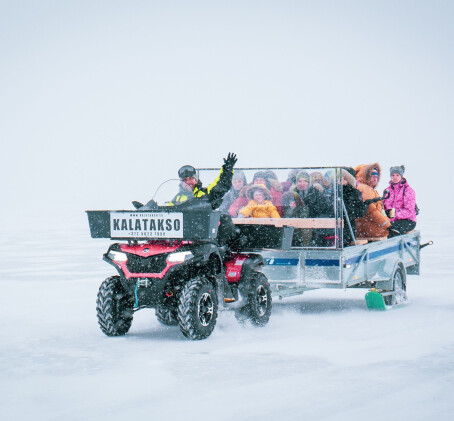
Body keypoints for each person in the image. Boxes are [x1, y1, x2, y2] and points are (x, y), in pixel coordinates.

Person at [354, 163, 390, 239]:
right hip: (369, 228)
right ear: (366, 176)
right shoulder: (366, 189)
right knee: (392, 231)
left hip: (367, 227)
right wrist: (386, 223)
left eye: (377, 177)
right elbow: (371, 211)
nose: (375, 179)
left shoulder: (369, 189)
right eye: (372, 176)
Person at [383, 165, 417, 237]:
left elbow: (409, 211)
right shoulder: (387, 191)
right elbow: (385, 207)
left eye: (397, 175)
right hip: (391, 220)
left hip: (408, 220)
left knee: (391, 230)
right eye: (393, 175)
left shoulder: (408, 190)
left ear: (401, 176)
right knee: (380, 228)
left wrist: (394, 215)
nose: (395, 177)